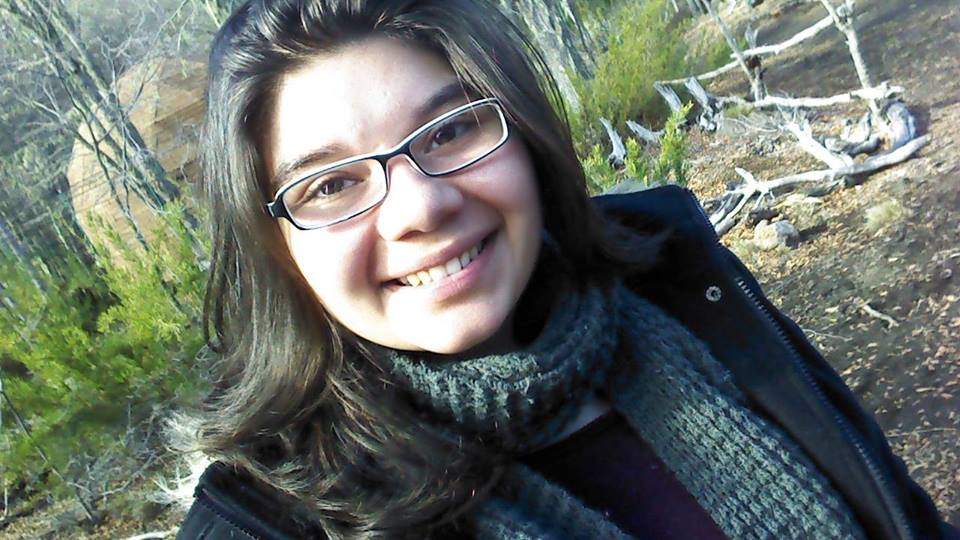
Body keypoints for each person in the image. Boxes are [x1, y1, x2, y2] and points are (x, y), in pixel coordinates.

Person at [174, 1, 958, 538]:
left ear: (526, 135)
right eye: (330, 186)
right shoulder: (262, 521)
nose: (420, 207)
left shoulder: (684, 289)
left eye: (450, 131)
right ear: (274, 246)